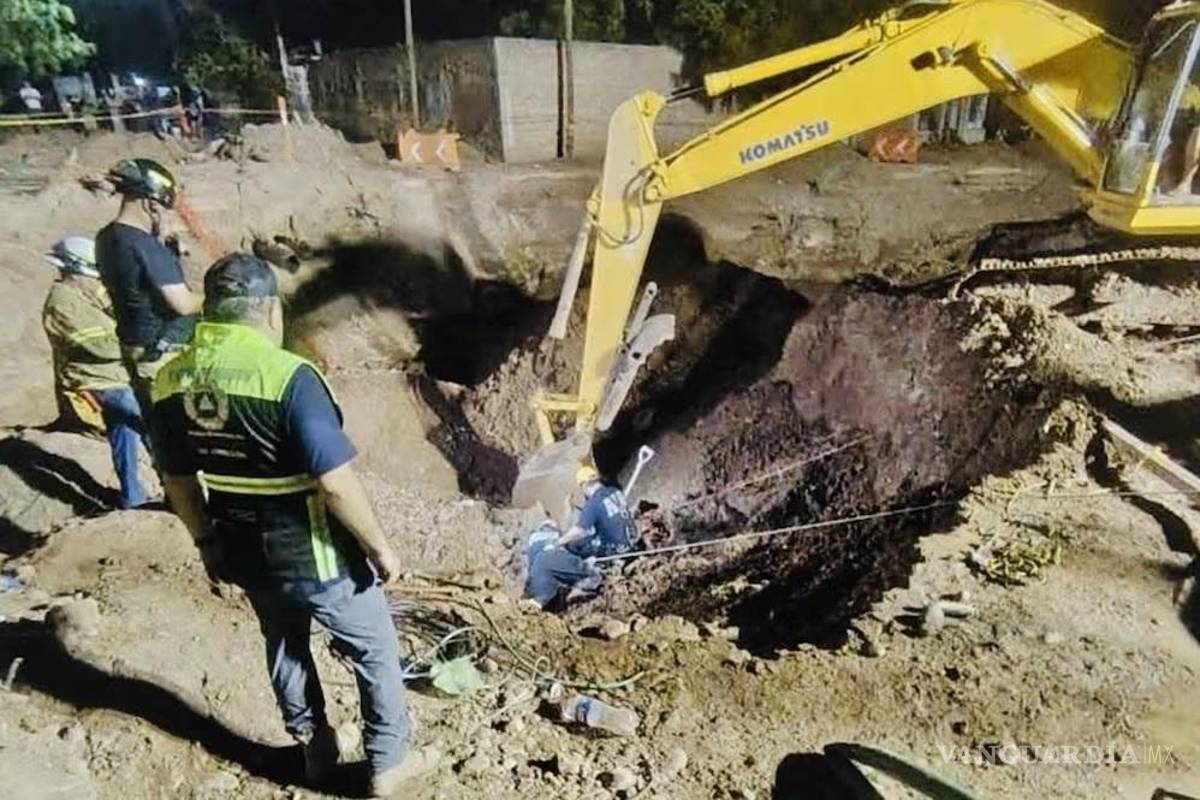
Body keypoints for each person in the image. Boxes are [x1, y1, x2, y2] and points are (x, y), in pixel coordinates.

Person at [150, 253, 438, 796]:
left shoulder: (170, 380)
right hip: (314, 551)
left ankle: (317, 754)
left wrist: (208, 544)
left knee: (284, 644)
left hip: (243, 548)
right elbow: (334, 482)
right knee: (374, 647)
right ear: (265, 310)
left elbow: (179, 481)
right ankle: (388, 761)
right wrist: (380, 548)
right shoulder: (289, 377)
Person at [41, 236, 150, 510]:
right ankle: (174, 494)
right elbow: (98, 346)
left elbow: (115, 305)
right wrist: (137, 342)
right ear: (73, 270)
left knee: (124, 433)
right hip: (99, 380)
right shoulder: (62, 304)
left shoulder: (86, 291)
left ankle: (132, 496)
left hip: (118, 376)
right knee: (149, 426)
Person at [96, 158, 202, 417]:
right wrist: (218, 293)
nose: (170, 217)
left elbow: (138, 285)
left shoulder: (107, 237)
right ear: (151, 204)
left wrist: (161, 243)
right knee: (182, 429)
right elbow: (182, 303)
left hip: (134, 346)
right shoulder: (144, 246)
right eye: (167, 209)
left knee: (157, 429)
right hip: (163, 355)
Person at [555, 465, 637, 559]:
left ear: (584, 485)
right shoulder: (615, 490)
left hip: (617, 549)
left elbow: (580, 531)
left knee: (573, 544)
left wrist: (558, 542)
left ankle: (594, 566)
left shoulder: (593, 503)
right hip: (632, 539)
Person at [522, 519, 602, 610]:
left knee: (542, 600)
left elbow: (526, 570)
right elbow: (573, 549)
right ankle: (578, 589)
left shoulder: (531, 542)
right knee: (593, 576)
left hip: (536, 575)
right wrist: (588, 561)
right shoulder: (556, 536)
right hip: (552, 558)